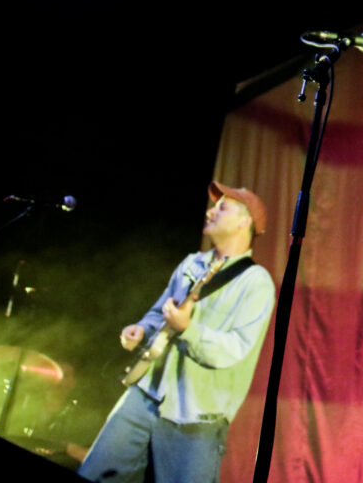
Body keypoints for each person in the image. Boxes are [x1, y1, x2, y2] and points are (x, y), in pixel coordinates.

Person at [77, 181, 276, 483]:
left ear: (244, 221)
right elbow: (160, 312)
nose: (211, 212)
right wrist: (141, 330)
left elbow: (235, 349)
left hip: (195, 417)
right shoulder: (191, 263)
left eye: (222, 208)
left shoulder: (256, 282)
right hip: (145, 395)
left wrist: (189, 329)